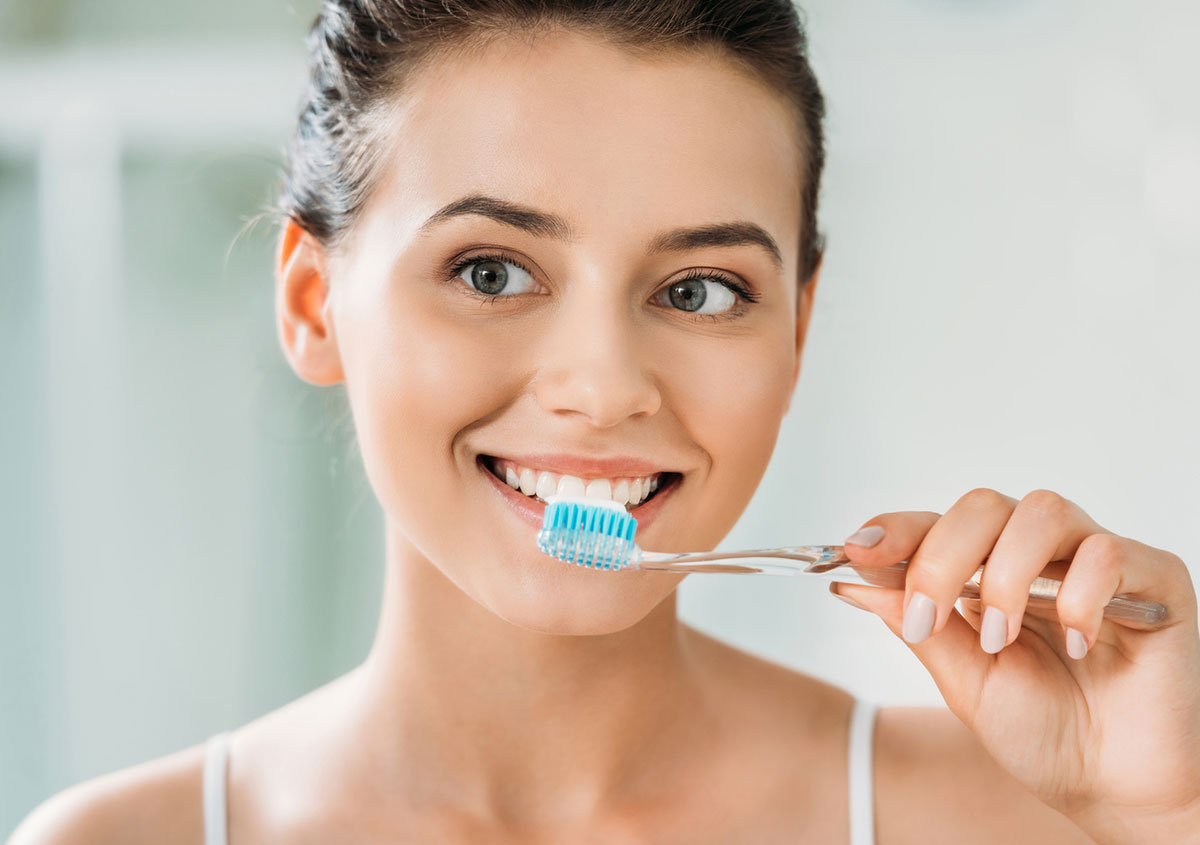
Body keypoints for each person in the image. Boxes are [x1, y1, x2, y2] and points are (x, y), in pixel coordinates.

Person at [12, 1, 1200, 842]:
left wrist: (1165, 818)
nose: (603, 383)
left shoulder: (1017, 818)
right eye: (490, 270)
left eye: (699, 291)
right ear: (315, 301)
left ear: (797, 331)